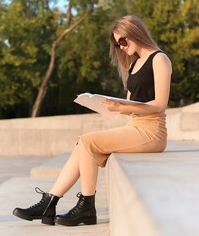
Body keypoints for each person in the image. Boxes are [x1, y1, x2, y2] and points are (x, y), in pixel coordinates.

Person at [12, 14, 172, 226]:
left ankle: (85, 207)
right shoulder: (133, 65)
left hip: (153, 132)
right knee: (82, 144)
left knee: (87, 142)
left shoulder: (160, 59)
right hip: (134, 126)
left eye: (122, 41)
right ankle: (50, 203)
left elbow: (160, 105)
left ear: (135, 33)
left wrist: (123, 107)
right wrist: (108, 106)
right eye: (117, 44)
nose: (121, 47)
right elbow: (130, 107)